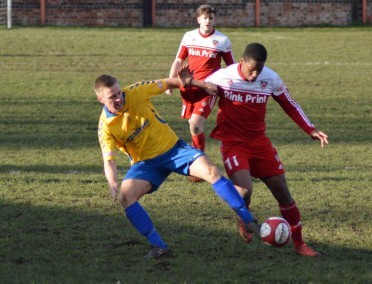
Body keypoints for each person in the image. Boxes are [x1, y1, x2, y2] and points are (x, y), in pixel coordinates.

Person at [94, 66, 260, 259]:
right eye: (112, 97)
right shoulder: (105, 126)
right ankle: (159, 246)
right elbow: (109, 159)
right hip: (146, 165)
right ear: (101, 100)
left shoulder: (135, 92)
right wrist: (112, 181)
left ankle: (249, 220)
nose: (118, 99)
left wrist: (200, 84)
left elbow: (169, 82)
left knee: (212, 171)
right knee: (125, 197)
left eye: (118, 93)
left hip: (174, 150)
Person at [200, 43, 329, 257]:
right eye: (251, 70)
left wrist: (310, 129)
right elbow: (197, 96)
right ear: (241, 62)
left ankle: (299, 245)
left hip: (260, 144)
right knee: (244, 190)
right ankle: (244, 216)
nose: (254, 75)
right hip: (233, 144)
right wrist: (190, 96)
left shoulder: (270, 78)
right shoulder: (222, 77)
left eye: (258, 70)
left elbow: (289, 104)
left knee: (283, 193)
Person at [166, 4, 235, 181]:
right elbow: (178, 60)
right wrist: (170, 82)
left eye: (211, 18)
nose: (208, 21)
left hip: (208, 88)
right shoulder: (189, 37)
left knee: (196, 123)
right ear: (198, 20)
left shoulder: (222, 40)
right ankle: (199, 162)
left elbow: (231, 68)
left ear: (214, 20)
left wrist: (233, 88)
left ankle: (200, 165)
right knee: (192, 125)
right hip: (188, 88)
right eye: (205, 18)